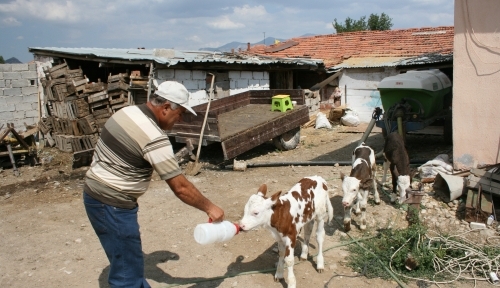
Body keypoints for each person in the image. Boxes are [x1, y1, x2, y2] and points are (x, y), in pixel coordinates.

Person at [83, 81, 225, 288]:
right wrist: (211, 208)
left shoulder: (127, 112)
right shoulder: (154, 137)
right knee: (126, 277)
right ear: (166, 108)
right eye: (181, 113)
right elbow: (181, 187)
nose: (181, 119)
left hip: (95, 196)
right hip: (112, 204)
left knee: (128, 263)